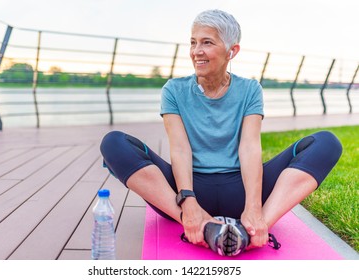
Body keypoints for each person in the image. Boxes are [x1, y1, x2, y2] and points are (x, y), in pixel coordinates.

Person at [100, 9, 342, 256]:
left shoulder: (250, 89)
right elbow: (180, 149)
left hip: (240, 190)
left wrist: (254, 207)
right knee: (113, 143)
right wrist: (188, 202)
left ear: (232, 51)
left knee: (327, 143)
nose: (196, 51)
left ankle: (255, 229)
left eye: (207, 42)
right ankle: (196, 223)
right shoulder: (173, 90)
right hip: (184, 192)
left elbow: (249, 147)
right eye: (193, 43)